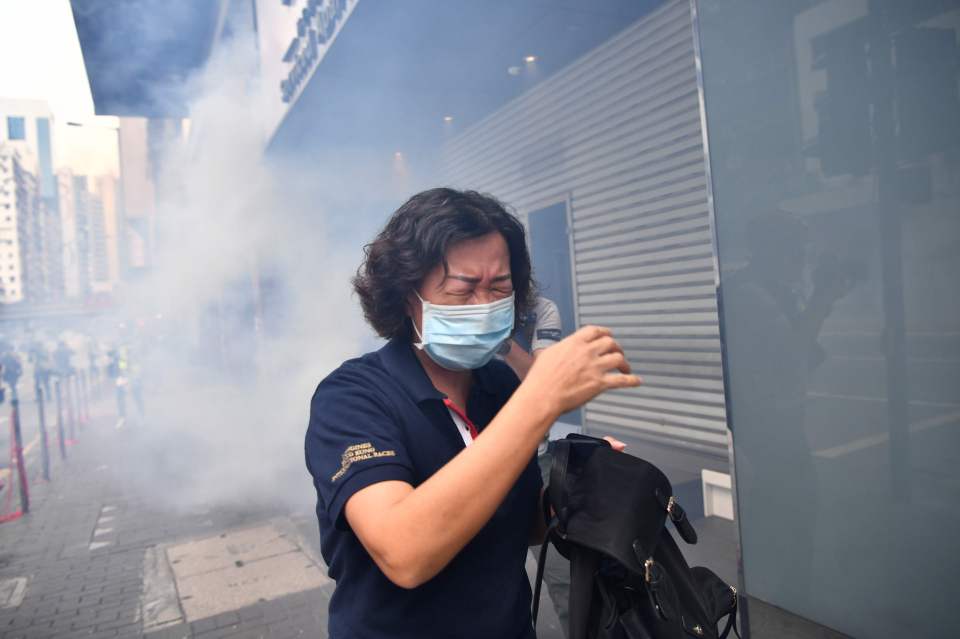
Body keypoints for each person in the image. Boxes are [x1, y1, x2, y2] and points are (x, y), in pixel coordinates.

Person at [305, 188, 641, 639]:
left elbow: (517, 524)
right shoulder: (352, 397)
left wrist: (574, 489)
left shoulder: (498, 386)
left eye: (499, 287)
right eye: (463, 289)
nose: (484, 306)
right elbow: (404, 552)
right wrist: (538, 399)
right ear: (408, 297)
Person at [498, 295, 573, 634]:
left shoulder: (540, 309)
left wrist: (502, 342)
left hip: (536, 462)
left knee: (566, 577)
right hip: (475, 467)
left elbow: (542, 381)